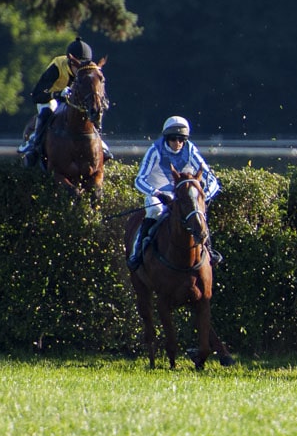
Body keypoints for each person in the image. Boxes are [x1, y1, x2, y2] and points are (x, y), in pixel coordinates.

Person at [128, 116, 222, 271]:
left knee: (196, 211)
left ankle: (209, 250)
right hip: (160, 195)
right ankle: (137, 252)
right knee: (154, 210)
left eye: (181, 139)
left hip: (183, 194)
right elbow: (139, 180)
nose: (177, 143)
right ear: (166, 138)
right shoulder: (154, 151)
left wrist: (203, 195)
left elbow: (211, 179)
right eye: (173, 139)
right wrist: (157, 193)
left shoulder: (190, 150)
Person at [17, 36, 114, 166]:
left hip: (74, 101)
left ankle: (100, 144)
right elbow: (37, 95)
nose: (81, 69)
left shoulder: (88, 70)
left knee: (92, 112)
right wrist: (57, 93)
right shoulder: (57, 66)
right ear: (71, 62)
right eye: (77, 65)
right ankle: (35, 147)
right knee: (47, 112)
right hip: (50, 99)